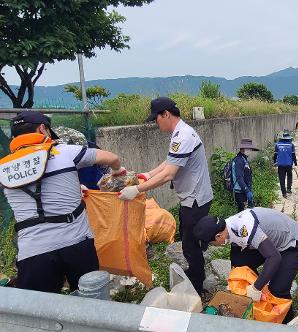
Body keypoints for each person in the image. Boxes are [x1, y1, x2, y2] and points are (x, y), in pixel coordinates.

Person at [0, 111, 125, 293]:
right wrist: (117, 171)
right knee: (90, 301)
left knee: (39, 312)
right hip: (77, 244)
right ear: (43, 129)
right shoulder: (65, 152)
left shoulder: (4, 167)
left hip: (33, 251)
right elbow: (112, 158)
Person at [118, 97, 213, 295]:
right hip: (193, 197)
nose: (156, 123)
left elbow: (170, 173)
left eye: (156, 119)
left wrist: (137, 190)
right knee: (191, 240)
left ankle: (197, 283)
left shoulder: (182, 136)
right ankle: (196, 272)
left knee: (190, 244)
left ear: (166, 114)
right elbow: (169, 162)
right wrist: (149, 175)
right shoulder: (180, 133)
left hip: (195, 199)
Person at [193, 207, 298, 323]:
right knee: (240, 264)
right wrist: (233, 281)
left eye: (211, 243)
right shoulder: (228, 227)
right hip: (270, 242)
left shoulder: (245, 228)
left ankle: (286, 320)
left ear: (218, 236)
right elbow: (236, 258)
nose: (213, 245)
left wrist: (256, 288)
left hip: (292, 243)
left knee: (278, 289)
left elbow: (274, 258)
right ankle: (261, 298)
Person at [232, 138, 259, 212]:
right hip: (240, 192)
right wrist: (247, 191)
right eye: (249, 149)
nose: (250, 151)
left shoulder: (244, 159)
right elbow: (239, 178)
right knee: (242, 213)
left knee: (247, 212)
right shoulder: (239, 160)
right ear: (243, 149)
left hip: (244, 190)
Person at [274, 132, 297, 198]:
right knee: (289, 176)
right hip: (289, 164)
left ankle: (284, 193)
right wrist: (295, 163)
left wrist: (274, 162)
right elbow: (293, 155)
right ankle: (289, 189)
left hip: (280, 164)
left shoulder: (277, 145)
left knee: (282, 178)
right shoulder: (291, 145)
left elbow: (275, 155)